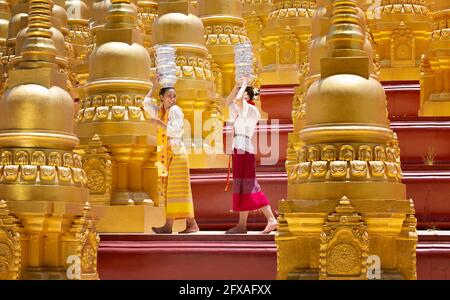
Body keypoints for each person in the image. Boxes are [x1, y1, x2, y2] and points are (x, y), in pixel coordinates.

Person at [224, 77, 278, 234]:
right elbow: (228, 102)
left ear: (249, 97)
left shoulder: (252, 110)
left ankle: (271, 219)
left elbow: (239, 99)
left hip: (245, 150)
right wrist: (236, 85)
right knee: (241, 186)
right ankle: (242, 225)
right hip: (238, 149)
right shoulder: (240, 112)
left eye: (244, 95)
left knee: (250, 185)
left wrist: (245, 84)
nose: (239, 98)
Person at [147, 86, 200, 234]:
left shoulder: (175, 110)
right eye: (169, 96)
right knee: (169, 190)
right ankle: (179, 224)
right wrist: (154, 84)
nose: (172, 99)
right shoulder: (160, 110)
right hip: (166, 153)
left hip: (176, 153)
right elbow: (145, 103)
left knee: (177, 190)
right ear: (161, 97)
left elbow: (176, 131)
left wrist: (159, 124)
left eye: (174, 96)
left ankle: (185, 224)